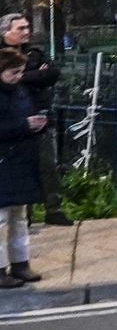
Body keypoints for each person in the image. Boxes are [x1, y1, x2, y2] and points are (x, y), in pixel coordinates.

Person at [0, 15, 63, 226]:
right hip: (11, 123)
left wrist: (22, 76)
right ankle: (22, 213)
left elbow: (52, 74)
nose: (26, 32)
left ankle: (52, 208)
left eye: (27, 27)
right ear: (6, 32)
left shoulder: (34, 53)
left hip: (38, 117)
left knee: (46, 164)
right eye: (21, 28)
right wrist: (33, 75)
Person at [0, 48, 49, 288]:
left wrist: (38, 124)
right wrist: (24, 125)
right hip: (5, 161)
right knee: (1, 220)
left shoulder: (19, 91)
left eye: (20, 72)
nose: (18, 76)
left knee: (19, 217)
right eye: (13, 72)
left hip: (20, 161)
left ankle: (21, 263)